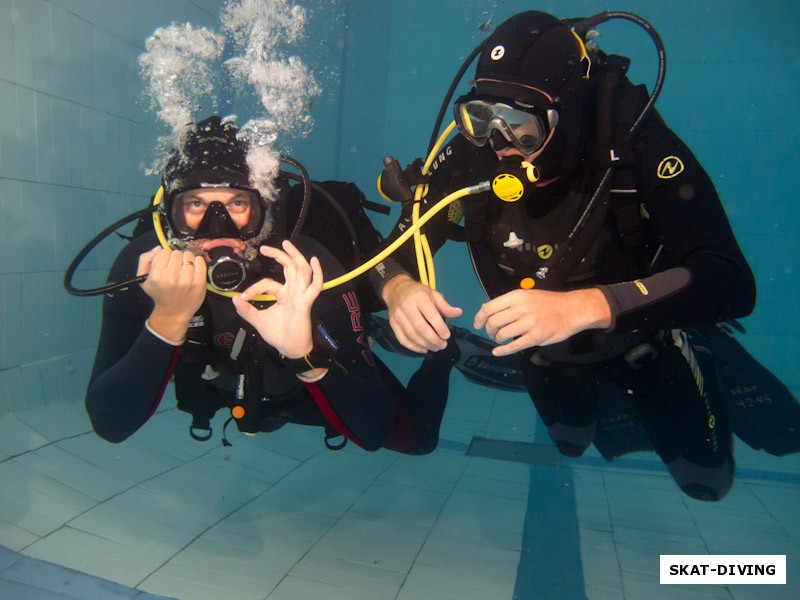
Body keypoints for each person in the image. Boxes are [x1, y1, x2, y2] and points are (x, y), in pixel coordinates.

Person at [368, 11, 757, 501]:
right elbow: (384, 257)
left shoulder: (632, 141)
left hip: (640, 337)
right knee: (571, 443)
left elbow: (729, 279)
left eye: (520, 128)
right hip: (541, 348)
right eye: (480, 118)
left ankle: (696, 349)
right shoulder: (472, 154)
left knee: (708, 481)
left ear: (565, 113)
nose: (499, 145)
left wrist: (585, 307)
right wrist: (396, 286)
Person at [85, 115, 456, 454]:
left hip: (306, 389)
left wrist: (307, 355)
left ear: (262, 208)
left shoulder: (303, 267)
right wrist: (166, 320)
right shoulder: (145, 266)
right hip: (216, 386)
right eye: (196, 204)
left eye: (237, 203)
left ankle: (443, 356)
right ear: (172, 213)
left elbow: (374, 431)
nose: (219, 228)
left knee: (419, 439)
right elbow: (110, 423)